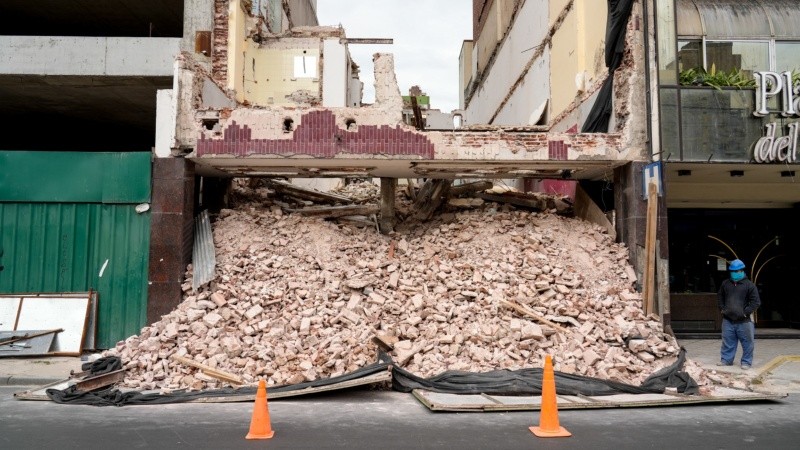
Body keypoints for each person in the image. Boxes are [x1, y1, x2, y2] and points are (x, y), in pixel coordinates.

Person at [716, 259, 761, 370]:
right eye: (732, 271)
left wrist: (745, 313)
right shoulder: (725, 283)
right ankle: (726, 360)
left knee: (747, 343)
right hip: (728, 319)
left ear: (741, 271)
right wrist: (722, 309)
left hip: (744, 321)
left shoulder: (749, 285)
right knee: (727, 342)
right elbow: (720, 296)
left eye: (736, 271)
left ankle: (746, 362)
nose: (734, 273)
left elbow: (756, 302)